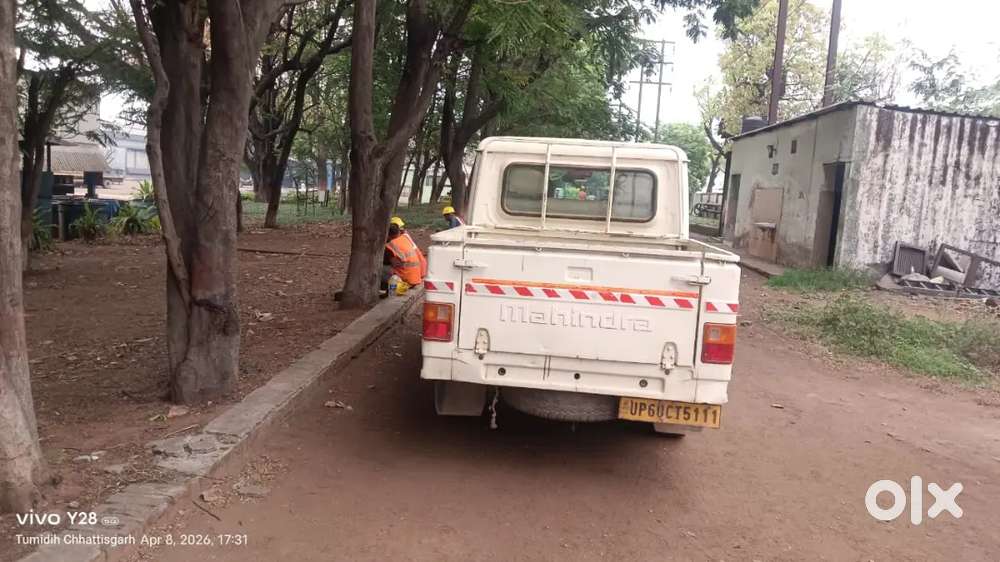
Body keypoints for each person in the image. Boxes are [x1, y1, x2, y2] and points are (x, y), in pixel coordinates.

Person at [383, 217, 425, 290]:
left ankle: (388, 289)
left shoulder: (390, 245)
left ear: (388, 234)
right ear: (399, 231)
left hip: (406, 280)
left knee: (382, 269)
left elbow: (394, 264)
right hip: (416, 278)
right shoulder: (405, 238)